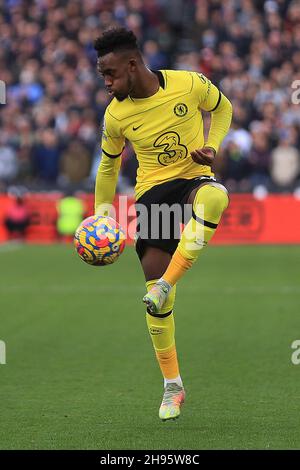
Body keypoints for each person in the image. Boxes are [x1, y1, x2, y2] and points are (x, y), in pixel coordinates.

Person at [94, 28, 232, 421]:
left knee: (216, 196)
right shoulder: (116, 115)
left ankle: (167, 283)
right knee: (159, 304)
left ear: (132, 65)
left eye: (110, 73)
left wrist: (213, 146)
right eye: (102, 74)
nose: (105, 82)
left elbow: (223, 108)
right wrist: (103, 213)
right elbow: (109, 164)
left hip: (192, 177)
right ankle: (173, 386)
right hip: (153, 195)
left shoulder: (188, 84)